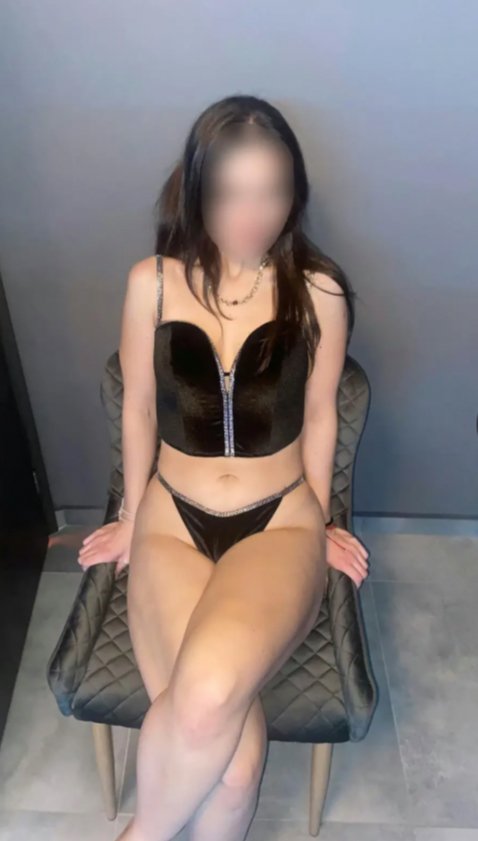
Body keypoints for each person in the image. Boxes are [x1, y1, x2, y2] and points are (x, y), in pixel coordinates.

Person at [78, 94, 369, 841]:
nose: (252, 214)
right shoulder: (151, 282)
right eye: (231, 193)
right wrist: (130, 516)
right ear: (197, 190)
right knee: (236, 767)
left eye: (272, 192)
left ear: (294, 194)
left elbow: (322, 413)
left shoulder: (320, 290)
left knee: (209, 694)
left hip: (279, 523)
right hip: (173, 521)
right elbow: (139, 407)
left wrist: (323, 520)